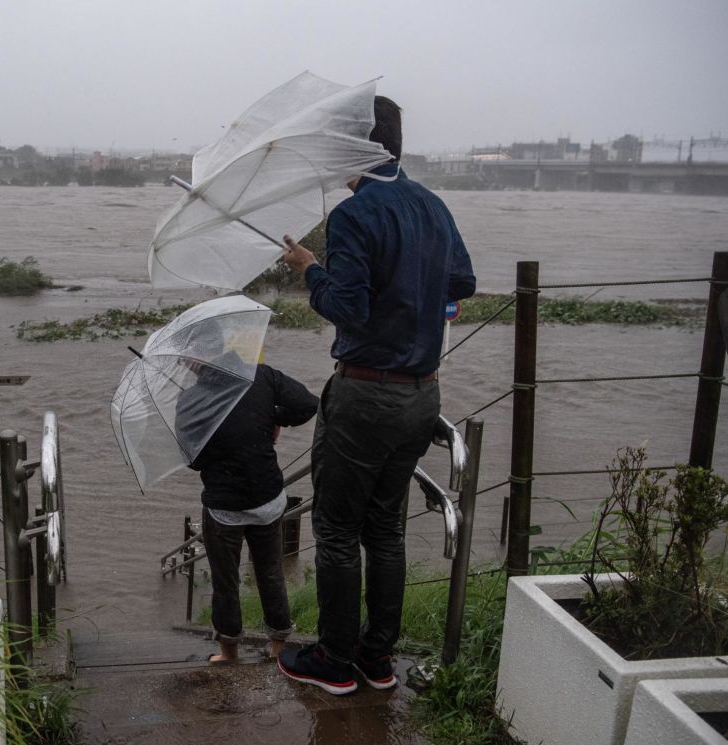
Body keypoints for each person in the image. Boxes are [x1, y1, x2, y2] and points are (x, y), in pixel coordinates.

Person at [276, 96, 476, 694]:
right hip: (423, 396)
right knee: (385, 530)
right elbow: (461, 282)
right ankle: (376, 659)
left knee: (337, 530)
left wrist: (311, 270)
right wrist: (417, 293)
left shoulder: (354, 214)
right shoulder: (432, 204)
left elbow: (350, 311)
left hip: (364, 397)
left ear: (357, 147)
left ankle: (335, 662)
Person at [177, 349, 318, 663]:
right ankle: (279, 646)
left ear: (196, 361)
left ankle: (229, 652)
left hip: (224, 507)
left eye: (186, 358)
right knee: (271, 573)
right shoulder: (261, 375)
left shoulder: (191, 401)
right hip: (268, 498)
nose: (185, 365)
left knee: (225, 580)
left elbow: (193, 460)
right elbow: (308, 405)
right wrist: (272, 418)